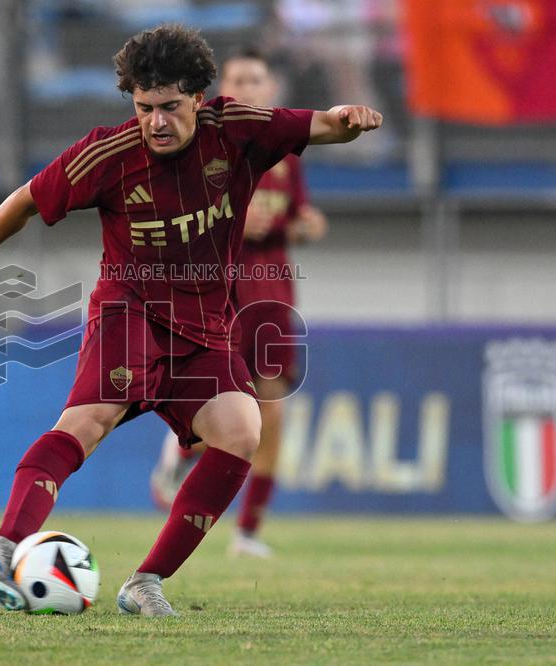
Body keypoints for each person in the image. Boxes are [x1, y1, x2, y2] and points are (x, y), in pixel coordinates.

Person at [0, 24, 381, 617]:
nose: (157, 121)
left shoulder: (237, 130)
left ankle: (145, 583)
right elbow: (29, 198)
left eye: (170, 107)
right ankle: (1, 550)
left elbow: (321, 124)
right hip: (131, 311)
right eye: (145, 107)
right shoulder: (108, 153)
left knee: (241, 431)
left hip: (206, 327)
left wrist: (349, 118)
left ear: (199, 100)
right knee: (88, 421)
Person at [149, 46, 327, 559]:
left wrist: (307, 225)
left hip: (273, 297)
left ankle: (248, 531)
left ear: (271, 90)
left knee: (273, 415)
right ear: (221, 93)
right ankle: (182, 451)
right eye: (238, 81)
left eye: (256, 80)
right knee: (224, 414)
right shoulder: (203, 148)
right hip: (220, 297)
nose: (248, 89)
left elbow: (298, 215)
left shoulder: (285, 154)